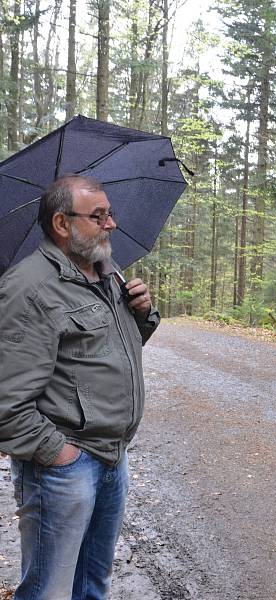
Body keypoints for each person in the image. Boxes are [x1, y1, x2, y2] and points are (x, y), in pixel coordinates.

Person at [0, 175, 159, 600]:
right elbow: (6, 402)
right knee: (48, 590)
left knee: (92, 585)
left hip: (112, 456)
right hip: (66, 466)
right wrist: (60, 455)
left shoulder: (106, 274)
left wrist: (141, 314)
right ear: (61, 223)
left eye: (110, 214)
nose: (111, 224)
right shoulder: (28, 288)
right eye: (98, 216)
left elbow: (104, 353)